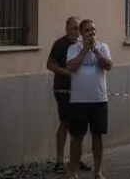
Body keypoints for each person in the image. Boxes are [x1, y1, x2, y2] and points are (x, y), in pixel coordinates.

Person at [66, 18, 112, 179]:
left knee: (97, 137)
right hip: (78, 101)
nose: (91, 33)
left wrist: (96, 51)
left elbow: (108, 65)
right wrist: (84, 50)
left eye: (93, 30)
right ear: (81, 33)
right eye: (87, 30)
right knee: (76, 137)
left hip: (99, 100)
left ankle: (97, 171)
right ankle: (73, 172)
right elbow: (71, 67)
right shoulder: (73, 48)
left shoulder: (103, 47)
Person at [47, 16, 89, 174]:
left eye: (78, 28)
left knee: (78, 125)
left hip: (79, 90)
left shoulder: (82, 45)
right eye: (72, 28)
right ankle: (59, 161)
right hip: (63, 89)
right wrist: (67, 73)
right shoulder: (60, 44)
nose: (75, 32)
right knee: (65, 123)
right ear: (66, 29)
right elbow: (50, 64)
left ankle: (75, 159)